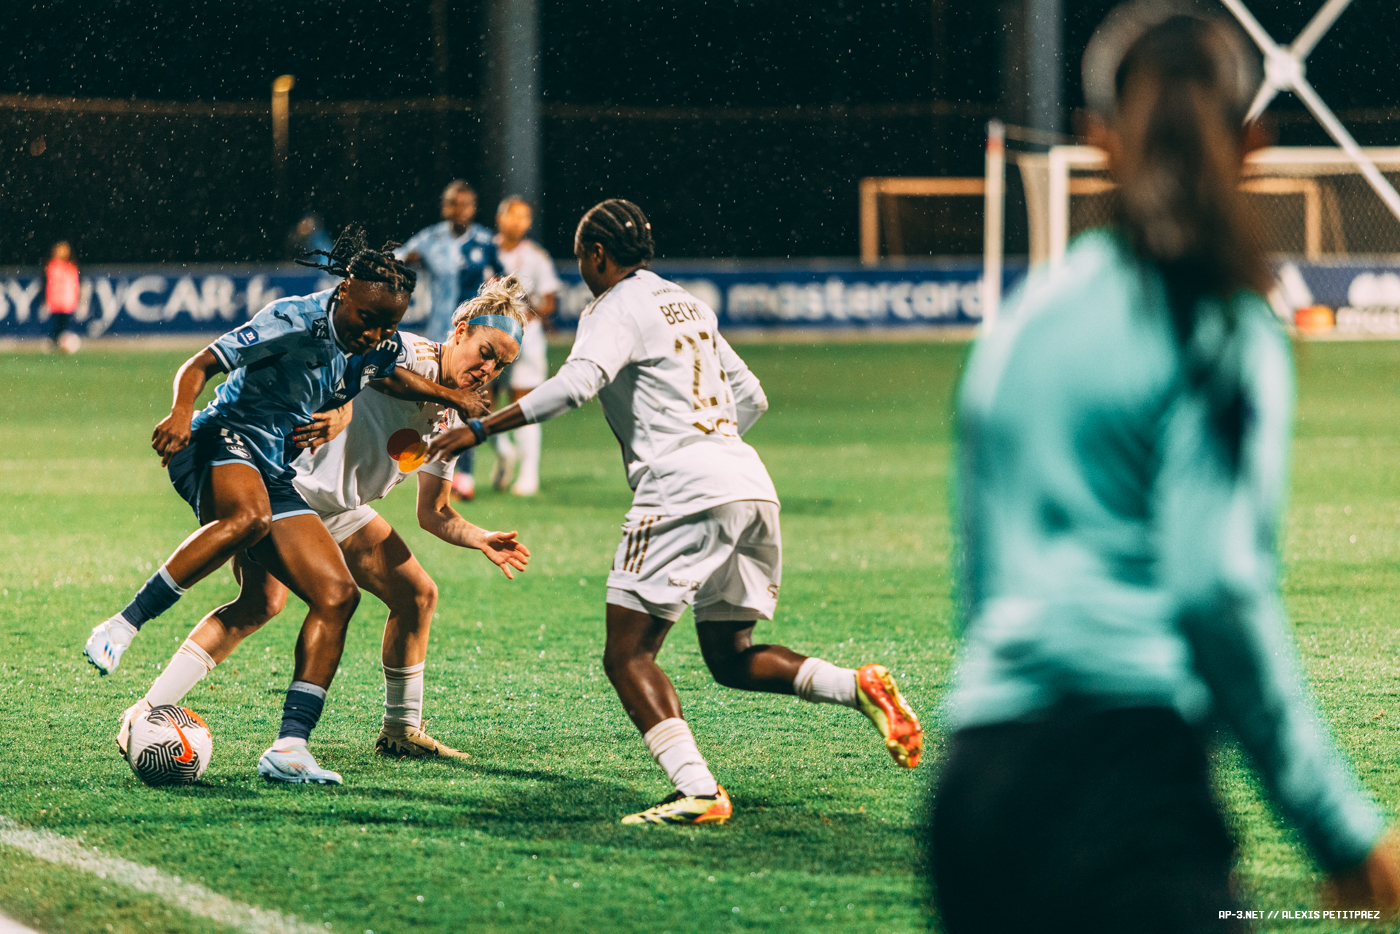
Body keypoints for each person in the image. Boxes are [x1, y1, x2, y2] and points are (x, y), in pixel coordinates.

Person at [930, 6, 1400, 931]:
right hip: (1127, 792)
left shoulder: (1021, 326)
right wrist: (1338, 827)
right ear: (1254, 145)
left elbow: (982, 583)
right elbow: (1215, 586)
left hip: (976, 791)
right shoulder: (1221, 325)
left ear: (1097, 141)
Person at [427, 199, 923, 825]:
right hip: (748, 483)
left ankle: (698, 791)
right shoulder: (688, 303)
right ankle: (858, 686)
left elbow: (576, 385)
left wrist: (480, 430)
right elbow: (753, 397)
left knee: (628, 655)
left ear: (597, 256)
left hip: (683, 489)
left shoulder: (613, 308)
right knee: (729, 654)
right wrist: (708, 446)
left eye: (582, 255)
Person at [84, 226, 484, 784]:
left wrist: (448, 397)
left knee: (336, 595)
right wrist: (180, 412)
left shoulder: (380, 345)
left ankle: (289, 748)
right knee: (248, 520)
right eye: (369, 318)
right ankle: (124, 624)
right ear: (345, 290)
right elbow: (202, 363)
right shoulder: (295, 319)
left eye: (390, 324)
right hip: (220, 436)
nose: (377, 333)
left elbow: (388, 374)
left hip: (273, 469)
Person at [397, 180, 497, 501]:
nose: (459, 210)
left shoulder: (485, 241)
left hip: (475, 339)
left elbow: (504, 280)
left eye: (465, 204)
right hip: (440, 335)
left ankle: (464, 474)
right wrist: (402, 262)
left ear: (473, 207)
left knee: (466, 400)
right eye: (453, 204)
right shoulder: (431, 239)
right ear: (445, 207)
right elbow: (398, 259)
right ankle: (430, 464)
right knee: (435, 404)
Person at [488, 196, 562, 496]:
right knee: (482, 402)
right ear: (500, 218)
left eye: (524, 217)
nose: (518, 222)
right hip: (489, 334)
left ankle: (528, 474)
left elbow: (549, 302)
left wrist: (532, 309)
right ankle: (504, 450)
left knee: (524, 402)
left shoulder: (536, 257)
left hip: (526, 336)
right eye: (512, 216)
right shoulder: (483, 249)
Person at [45, 241, 80, 351]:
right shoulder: (52, 266)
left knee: (64, 325)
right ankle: (55, 343)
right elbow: (47, 284)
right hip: (56, 301)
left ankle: (60, 345)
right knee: (57, 325)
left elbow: (75, 285)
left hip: (67, 301)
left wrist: (76, 298)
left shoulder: (71, 267)